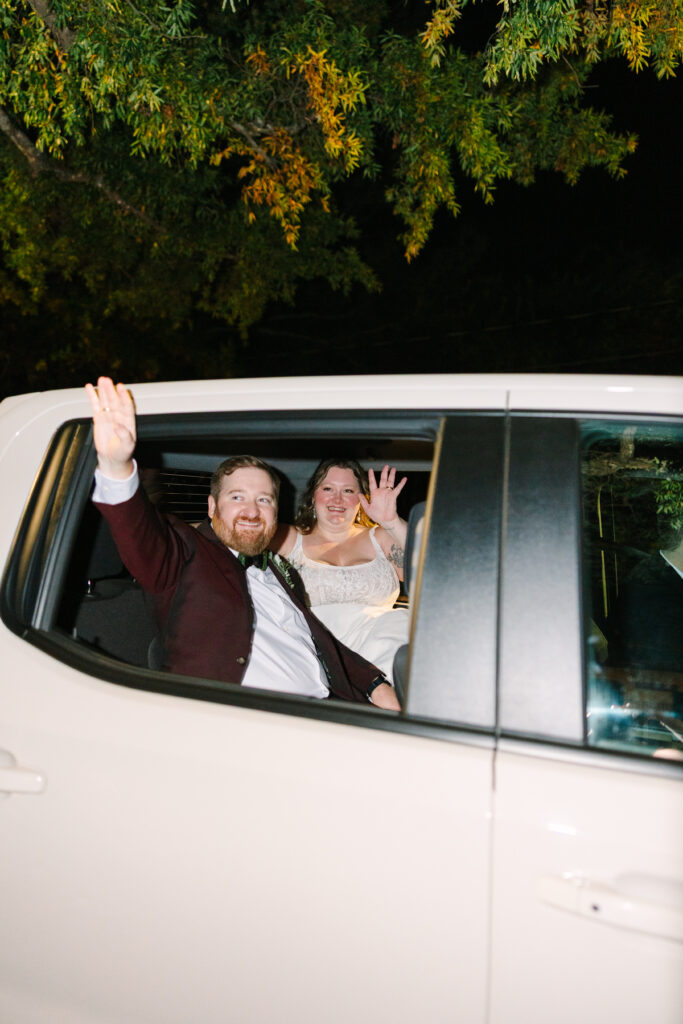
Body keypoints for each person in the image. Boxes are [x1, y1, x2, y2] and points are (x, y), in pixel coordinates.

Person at [84, 377, 400, 710]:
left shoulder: (280, 571)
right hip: (244, 718)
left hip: (328, 710)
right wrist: (117, 466)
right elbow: (141, 535)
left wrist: (375, 684)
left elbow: (321, 640)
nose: (252, 510)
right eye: (238, 497)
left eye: (264, 500)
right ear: (212, 507)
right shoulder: (185, 553)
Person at [272, 458, 410, 681]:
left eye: (348, 490)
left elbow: (427, 572)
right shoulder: (288, 538)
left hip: (385, 646)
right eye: (328, 489)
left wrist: (392, 522)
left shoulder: (381, 538)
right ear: (313, 495)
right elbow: (236, 537)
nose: (337, 499)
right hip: (312, 654)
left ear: (361, 498)